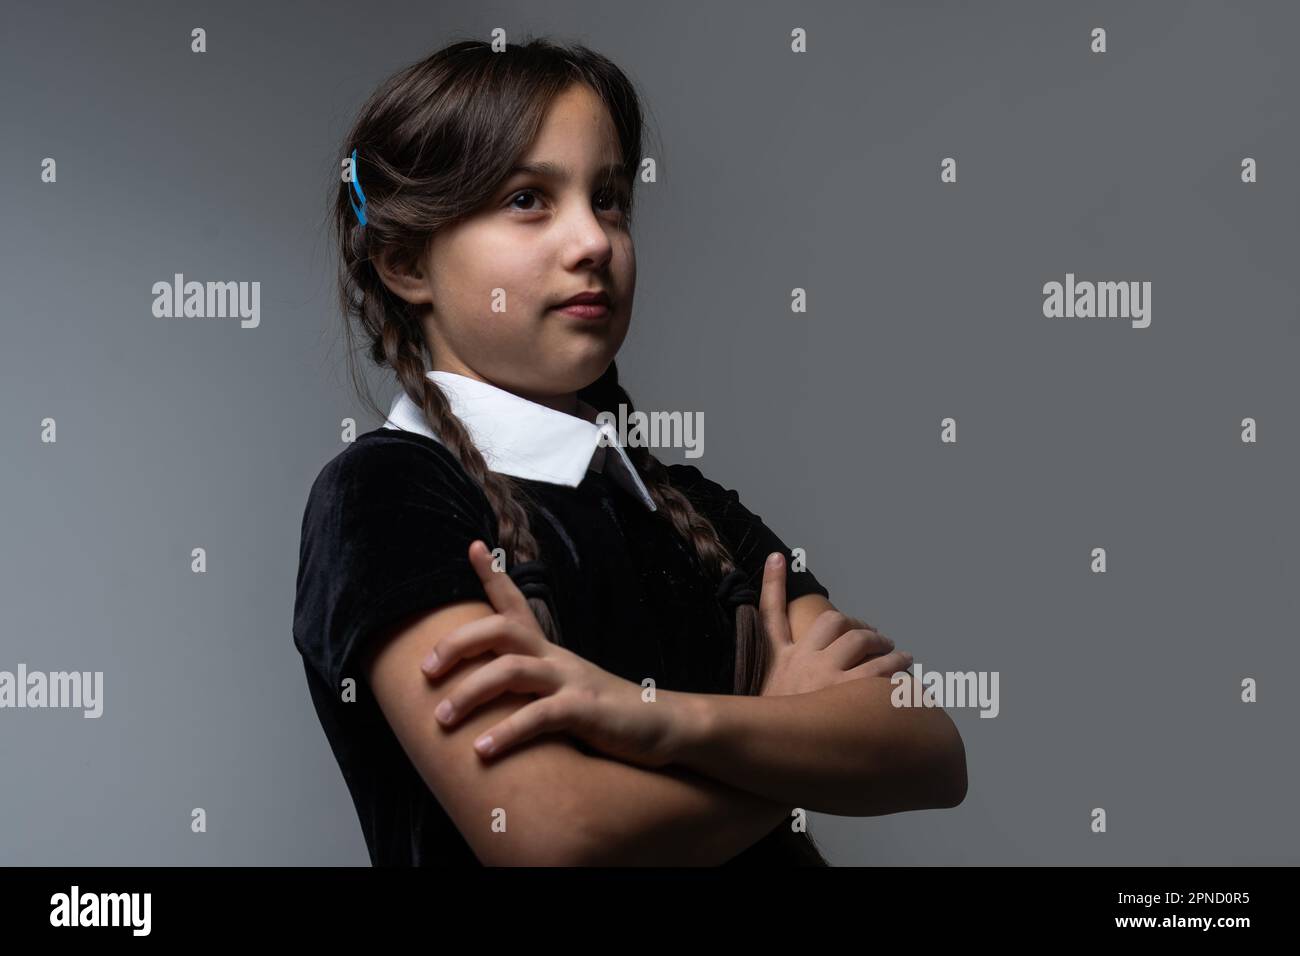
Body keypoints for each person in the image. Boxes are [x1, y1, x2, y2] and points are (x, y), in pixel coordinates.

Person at [293, 36, 966, 866]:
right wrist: (789, 735)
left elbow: (928, 750)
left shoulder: (694, 512)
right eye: (528, 199)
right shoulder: (388, 498)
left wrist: (651, 716)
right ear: (404, 261)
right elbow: (554, 834)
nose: (593, 243)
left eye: (609, 200)